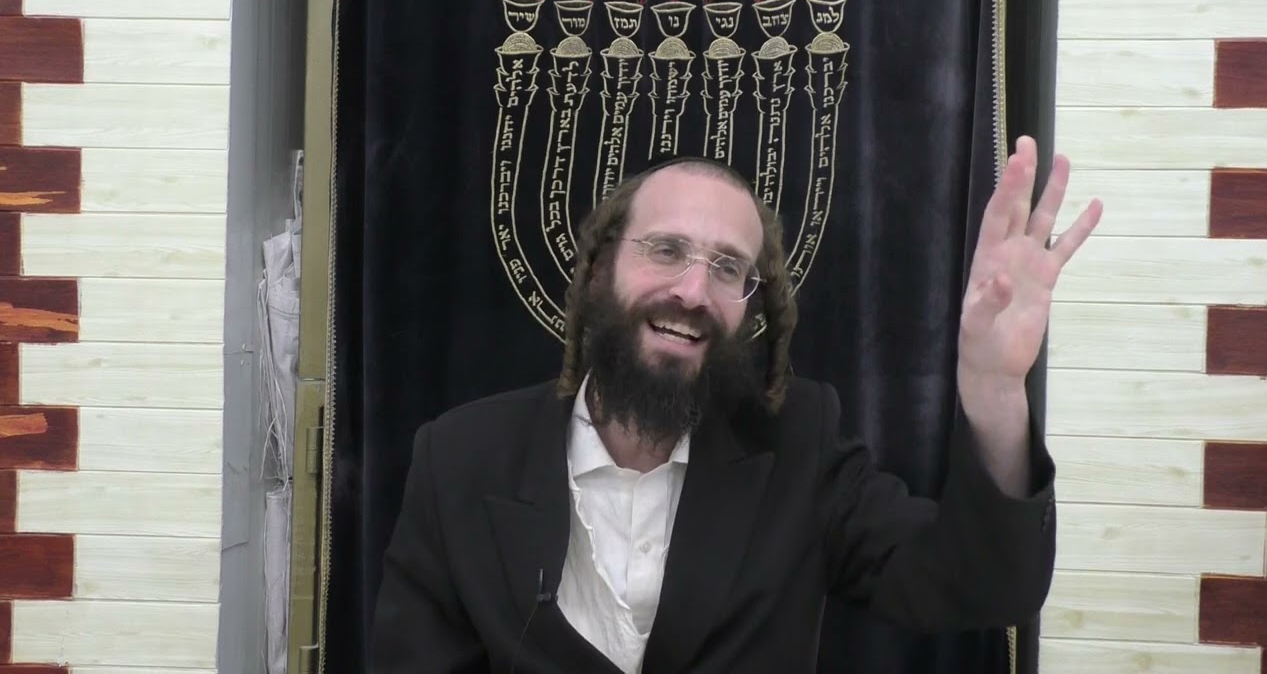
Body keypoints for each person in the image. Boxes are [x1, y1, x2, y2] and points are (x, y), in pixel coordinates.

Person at [370, 136, 1103, 673]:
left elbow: (980, 587)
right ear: (599, 269)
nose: (693, 291)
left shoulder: (800, 443)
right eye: (665, 250)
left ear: (751, 304)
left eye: (727, 268)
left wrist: (994, 390)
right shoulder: (460, 457)